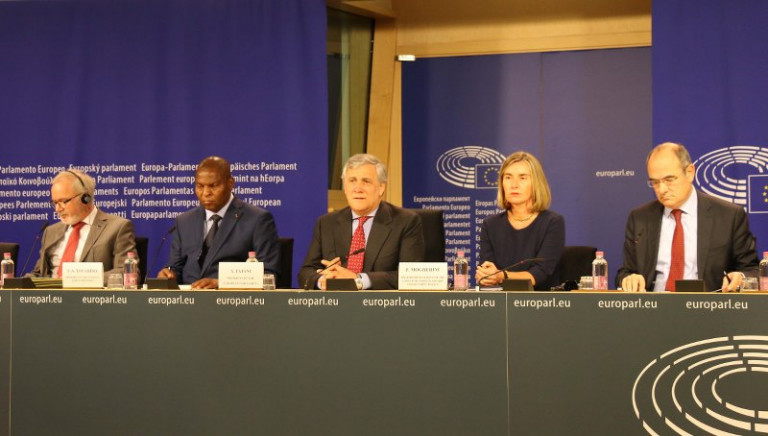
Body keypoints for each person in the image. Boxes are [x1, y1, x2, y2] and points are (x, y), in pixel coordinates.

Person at [617, 142, 759, 292]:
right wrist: (629, 279)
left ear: (690, 172)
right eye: (655, 182)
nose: (662, 189)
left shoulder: (729, 216)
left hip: (707, 304)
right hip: (652, 304)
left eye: (669, 180)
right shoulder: (639, 218)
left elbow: (752, 270)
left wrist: (740, 277)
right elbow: (625, 272)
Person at [298, 153, 425, 290]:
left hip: (381, 302)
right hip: (334, 301)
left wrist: (358, 280)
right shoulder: (326, 223)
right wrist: (323, 280)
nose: (358, 189)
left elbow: (411, 277)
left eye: (366, 181)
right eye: (352, 181)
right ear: (345, 187)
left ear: (381, 188)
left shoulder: (406, 222)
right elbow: (306, 272)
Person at [158, 156, 280, 289]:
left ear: (230, 183)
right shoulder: (184, 221)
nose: (206, 193)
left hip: (233, 300)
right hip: (188, 299)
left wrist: (221, 283)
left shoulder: (257, 219)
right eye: (200, 186)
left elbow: (268, 274)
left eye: (213, 186)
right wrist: (168, 274)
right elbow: (175, 267)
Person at [475, 151, 565, 291]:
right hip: (500, 301)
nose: (514, 185)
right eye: (508, 177)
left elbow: (539, 274)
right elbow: (487, 270)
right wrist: (485, 275)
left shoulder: (552, 222)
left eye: (522, 178)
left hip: (541, 301)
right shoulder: (490, 224)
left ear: (536, 184)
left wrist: (502, 276)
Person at [29, 169, 137, 283]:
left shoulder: (117, 228)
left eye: (64, 201)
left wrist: (80, 279)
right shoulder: (51, 231)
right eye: (55, 203)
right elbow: (38, 274)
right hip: (50, 293)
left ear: (85, 198)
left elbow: (127, 273)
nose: (58, 209)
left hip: (89, 293)